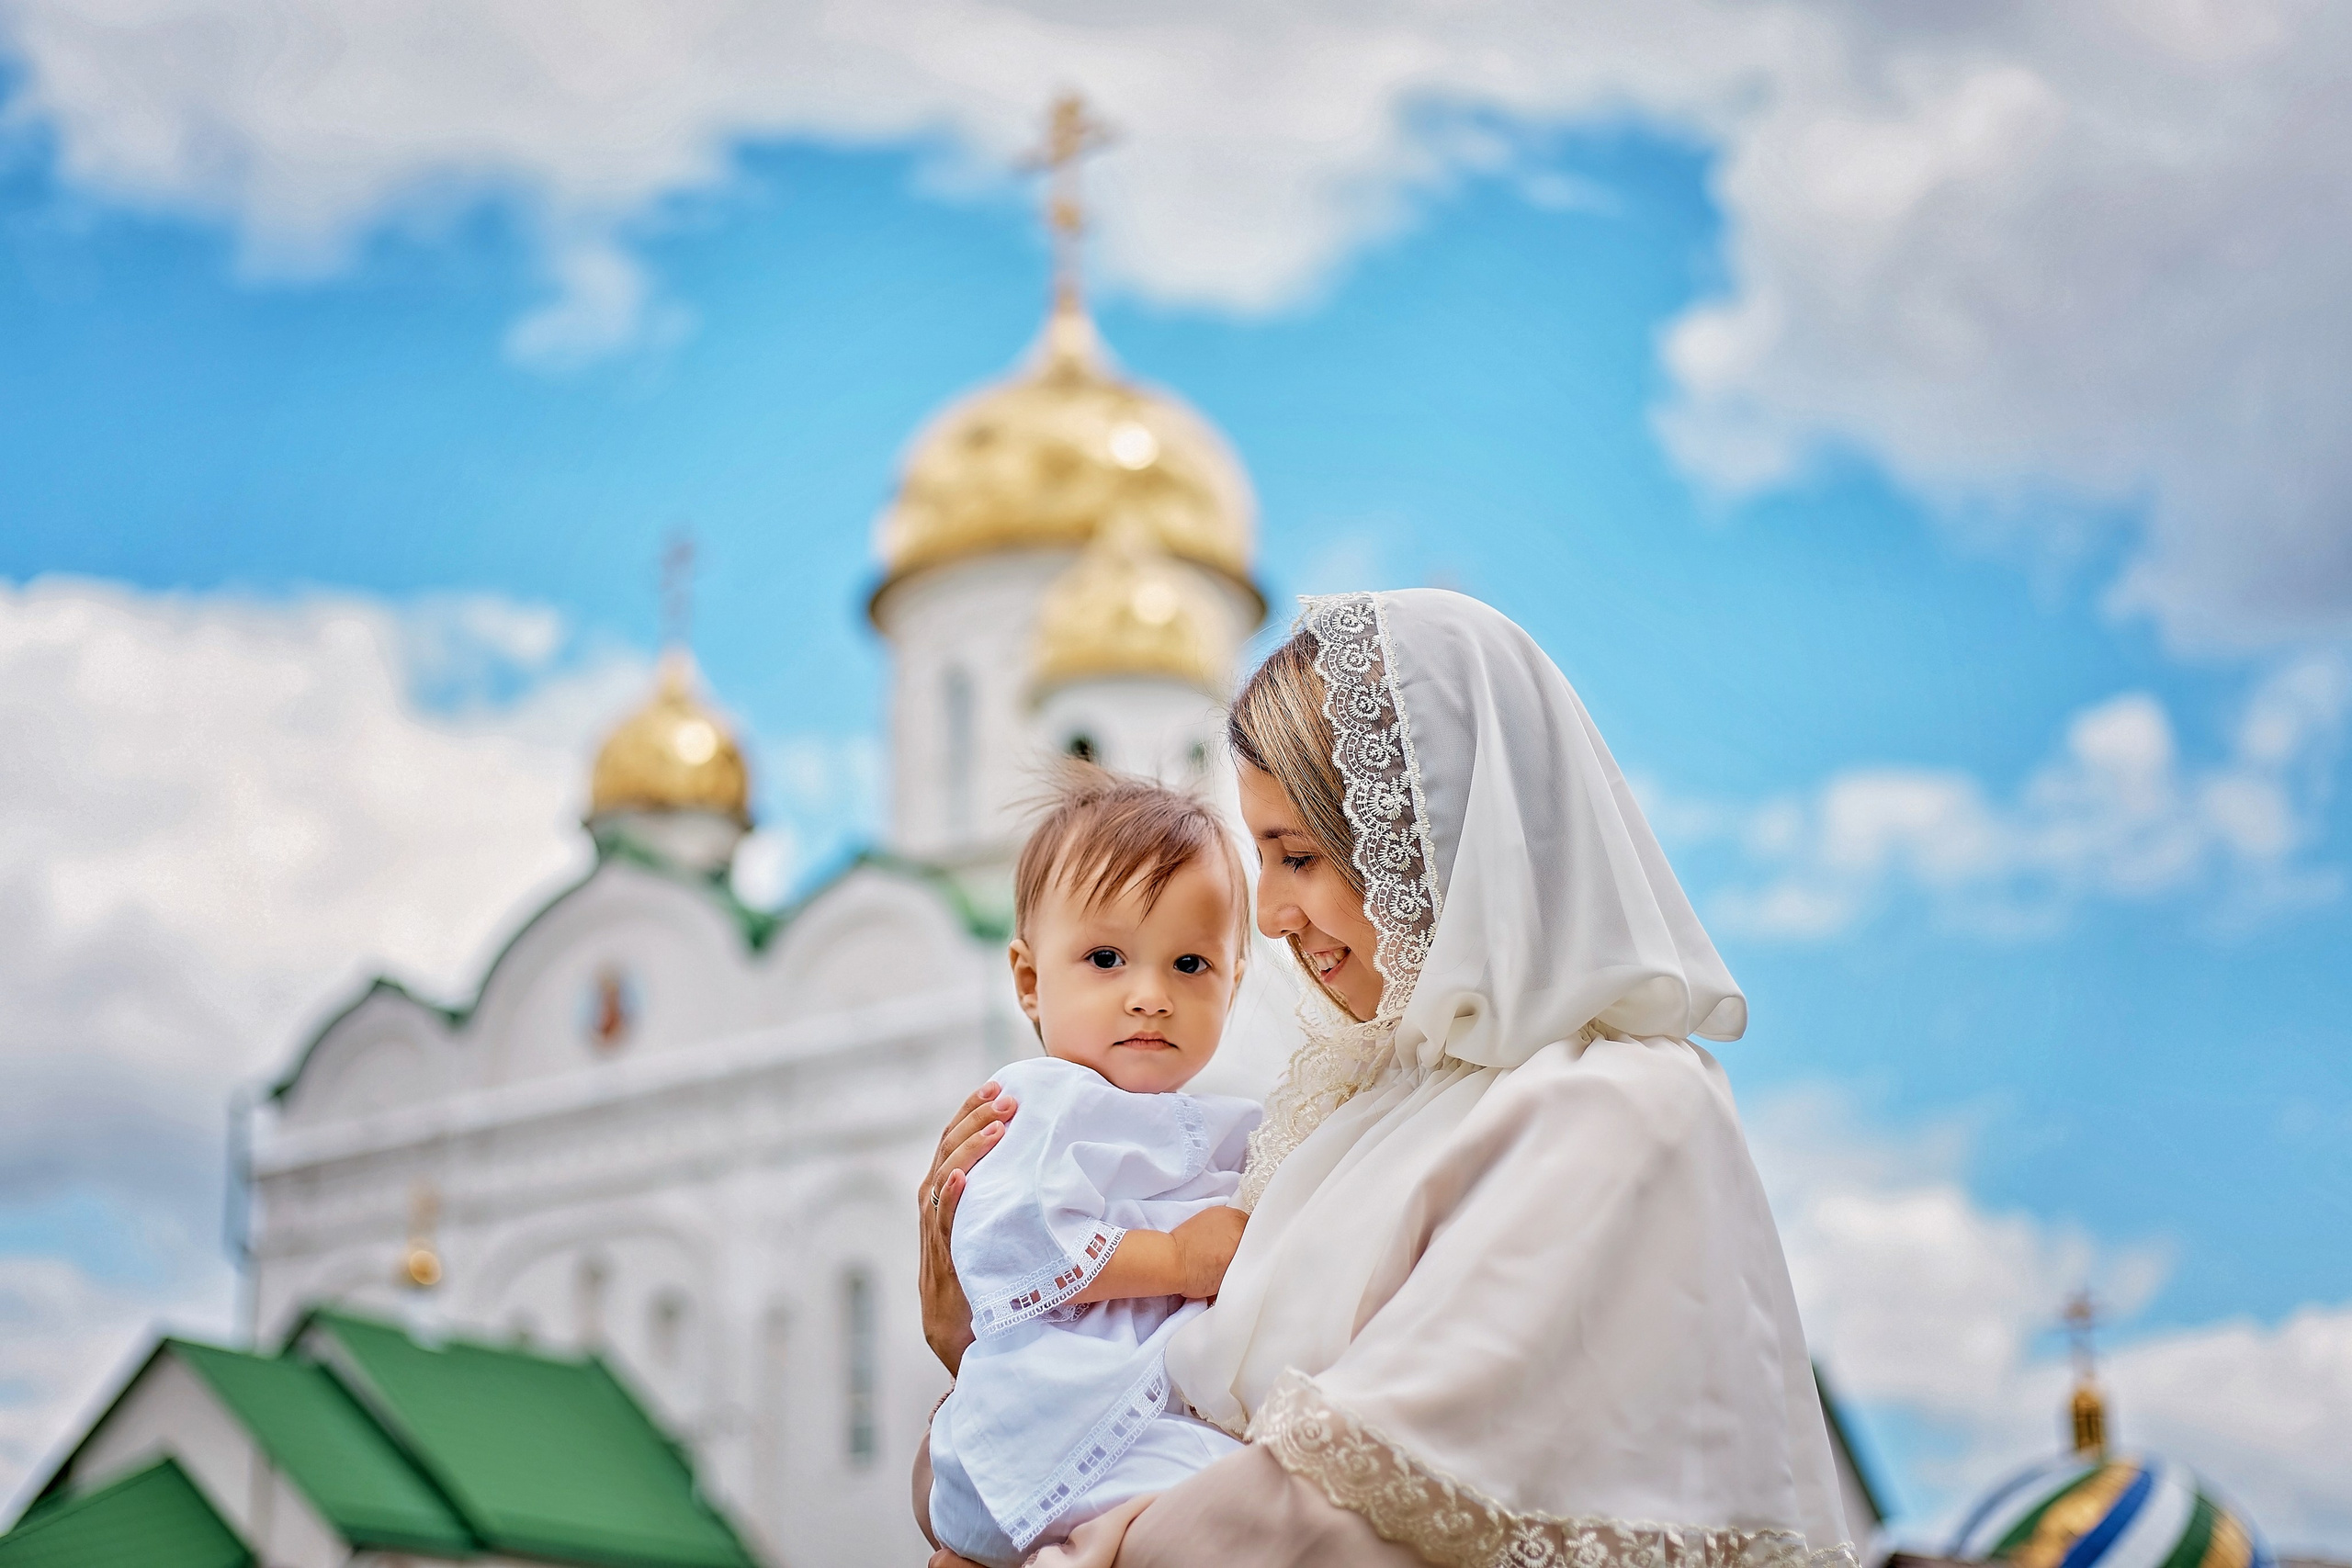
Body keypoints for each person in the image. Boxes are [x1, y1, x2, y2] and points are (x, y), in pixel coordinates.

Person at [919, 590, 1857, 1568]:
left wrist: (1092, 1548)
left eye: (1299, 857)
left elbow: (1368, 1498)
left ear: (1436, 847)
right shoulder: (1344, 1115)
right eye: (1261, 860)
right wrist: (978, 1359)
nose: (1272, 918)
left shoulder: (1616, 1109)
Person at [924, 767, 1265, 1566]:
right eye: (1107, 957)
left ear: (1234, 981)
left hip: (1106, 1418)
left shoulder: (1220, 1122)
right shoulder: (1038, 1101)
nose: (1150, 995)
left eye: (1190, 965)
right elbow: (1012, 1236)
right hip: (1040, 1418)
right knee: (1229, 1487)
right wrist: (1178, 1259)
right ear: (1030, 980)